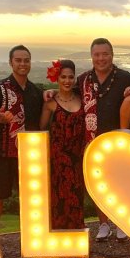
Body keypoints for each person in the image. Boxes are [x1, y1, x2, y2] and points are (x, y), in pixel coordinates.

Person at [0, 45, 43, 230]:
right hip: (3, 153)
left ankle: (32, 239)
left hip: (29, 156)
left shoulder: (36, 92)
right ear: (11, 62)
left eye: (26, 60)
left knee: (31, 197)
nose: (23, 64)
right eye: (18, 60)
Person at [78, 38, 130, 241]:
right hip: (91, 140)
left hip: (118, 140)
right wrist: (51, 93)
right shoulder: (83, 80)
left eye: (105, 54)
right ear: (92, 56)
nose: (101, 58)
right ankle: (103, 223)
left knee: (121, 183)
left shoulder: (125, 77)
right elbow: (70, 99)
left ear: (112, 55)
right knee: (97, 184)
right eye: (97, 54)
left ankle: (121, 223)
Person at [39, 59, 86, 230]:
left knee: (76, 196)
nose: (67, 81)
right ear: (57, 79)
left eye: (71, 77)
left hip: (78, 158)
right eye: (63, 77)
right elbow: (41, 130)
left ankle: (76, 234)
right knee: (58, 198)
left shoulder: (82, 99)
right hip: (58, 161)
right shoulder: (50, 103)